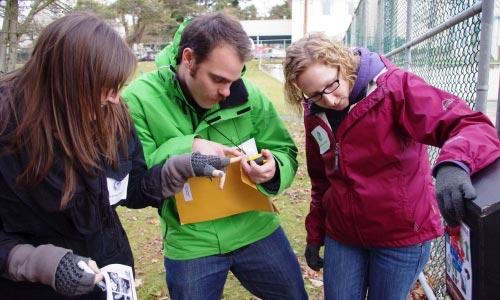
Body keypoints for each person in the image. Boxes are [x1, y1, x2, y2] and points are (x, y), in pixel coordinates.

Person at [0, 12, 235, 300]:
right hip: (33, 289)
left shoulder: (112, 116)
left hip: (108, 272)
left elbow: (131, 187)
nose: (114, 98)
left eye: (118, 87)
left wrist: (178, 168)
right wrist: (42, 264)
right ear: (67, 81)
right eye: (106, 87)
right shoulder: (8, 127)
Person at [283, 32, 500, 299]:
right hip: (343, 233)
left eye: (331, 85)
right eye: (314, 95)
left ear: (342, 63)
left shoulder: (395, 88)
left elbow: (469, 124)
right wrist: (315, 232)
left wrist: (453, 164)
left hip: (400, 235)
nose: (329, 100)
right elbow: (322, 180)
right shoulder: (315, 113)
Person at [123, 12, 307, 300]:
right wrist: (189, 146)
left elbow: (284, 150)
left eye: (234, 80)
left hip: (255, 226)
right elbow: (139, 180)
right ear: (188, 58)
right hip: (191, 240)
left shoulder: (247, 94)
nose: (226, 91)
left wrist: (273, 171)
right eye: (218, 79)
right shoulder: (138, 100)